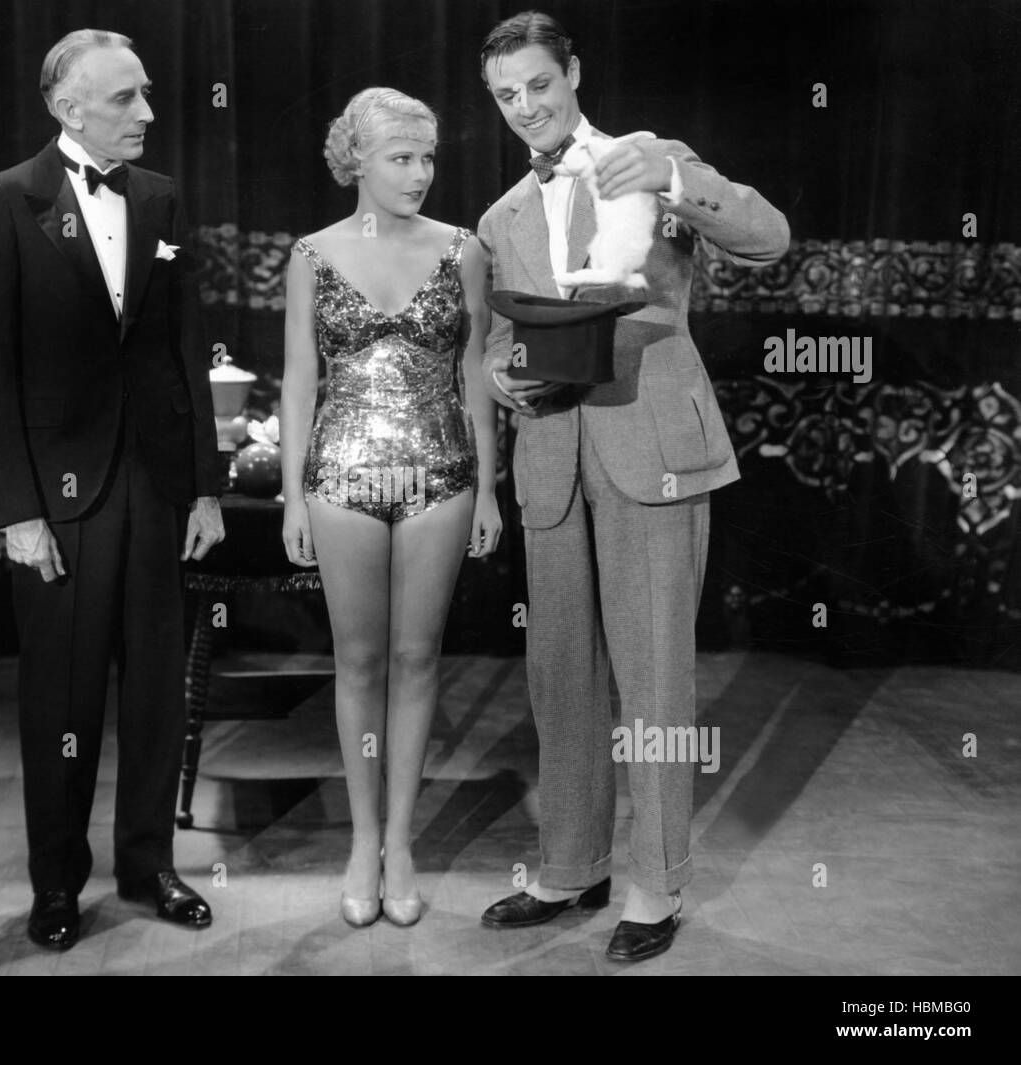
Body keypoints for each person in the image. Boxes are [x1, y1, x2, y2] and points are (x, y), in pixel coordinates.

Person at [475, 11, 790, 960]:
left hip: (652, 448)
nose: (526, 107)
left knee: (653, 675)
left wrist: (676, 181)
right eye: (505, 96)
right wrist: (500, 374)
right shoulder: (501, 217)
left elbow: (768, 235)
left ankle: (656, 884)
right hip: (552, 461)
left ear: (573, 72)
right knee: (559, 674)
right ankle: (571, 865)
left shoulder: (650, 158)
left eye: (538, 84)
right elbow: (501, 339)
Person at [0, 29, 224, 951]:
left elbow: (186, 351)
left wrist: (205, 489)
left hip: (154, 484)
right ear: (70, 109)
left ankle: (149, 866)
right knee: (61, 700)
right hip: (57, 500)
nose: (147, 112)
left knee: (155, 687)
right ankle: (58, 883)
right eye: (125, 99)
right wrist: (17, 511)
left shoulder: (159, 198)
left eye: (146, 94)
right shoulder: (2, 202)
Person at [280, 88, 501, 927]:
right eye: (401, 158)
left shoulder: (464, 249)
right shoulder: (312, 253)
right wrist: (296, 494)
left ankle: (401, 841)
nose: (420, 173)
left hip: (440, 473)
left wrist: (489, 485)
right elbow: (300, 380)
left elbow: (475, 375)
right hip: (340, 477)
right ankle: (361, 839)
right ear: (357, 162)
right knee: (359, 663)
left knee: (417, 660)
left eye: (428, 157)